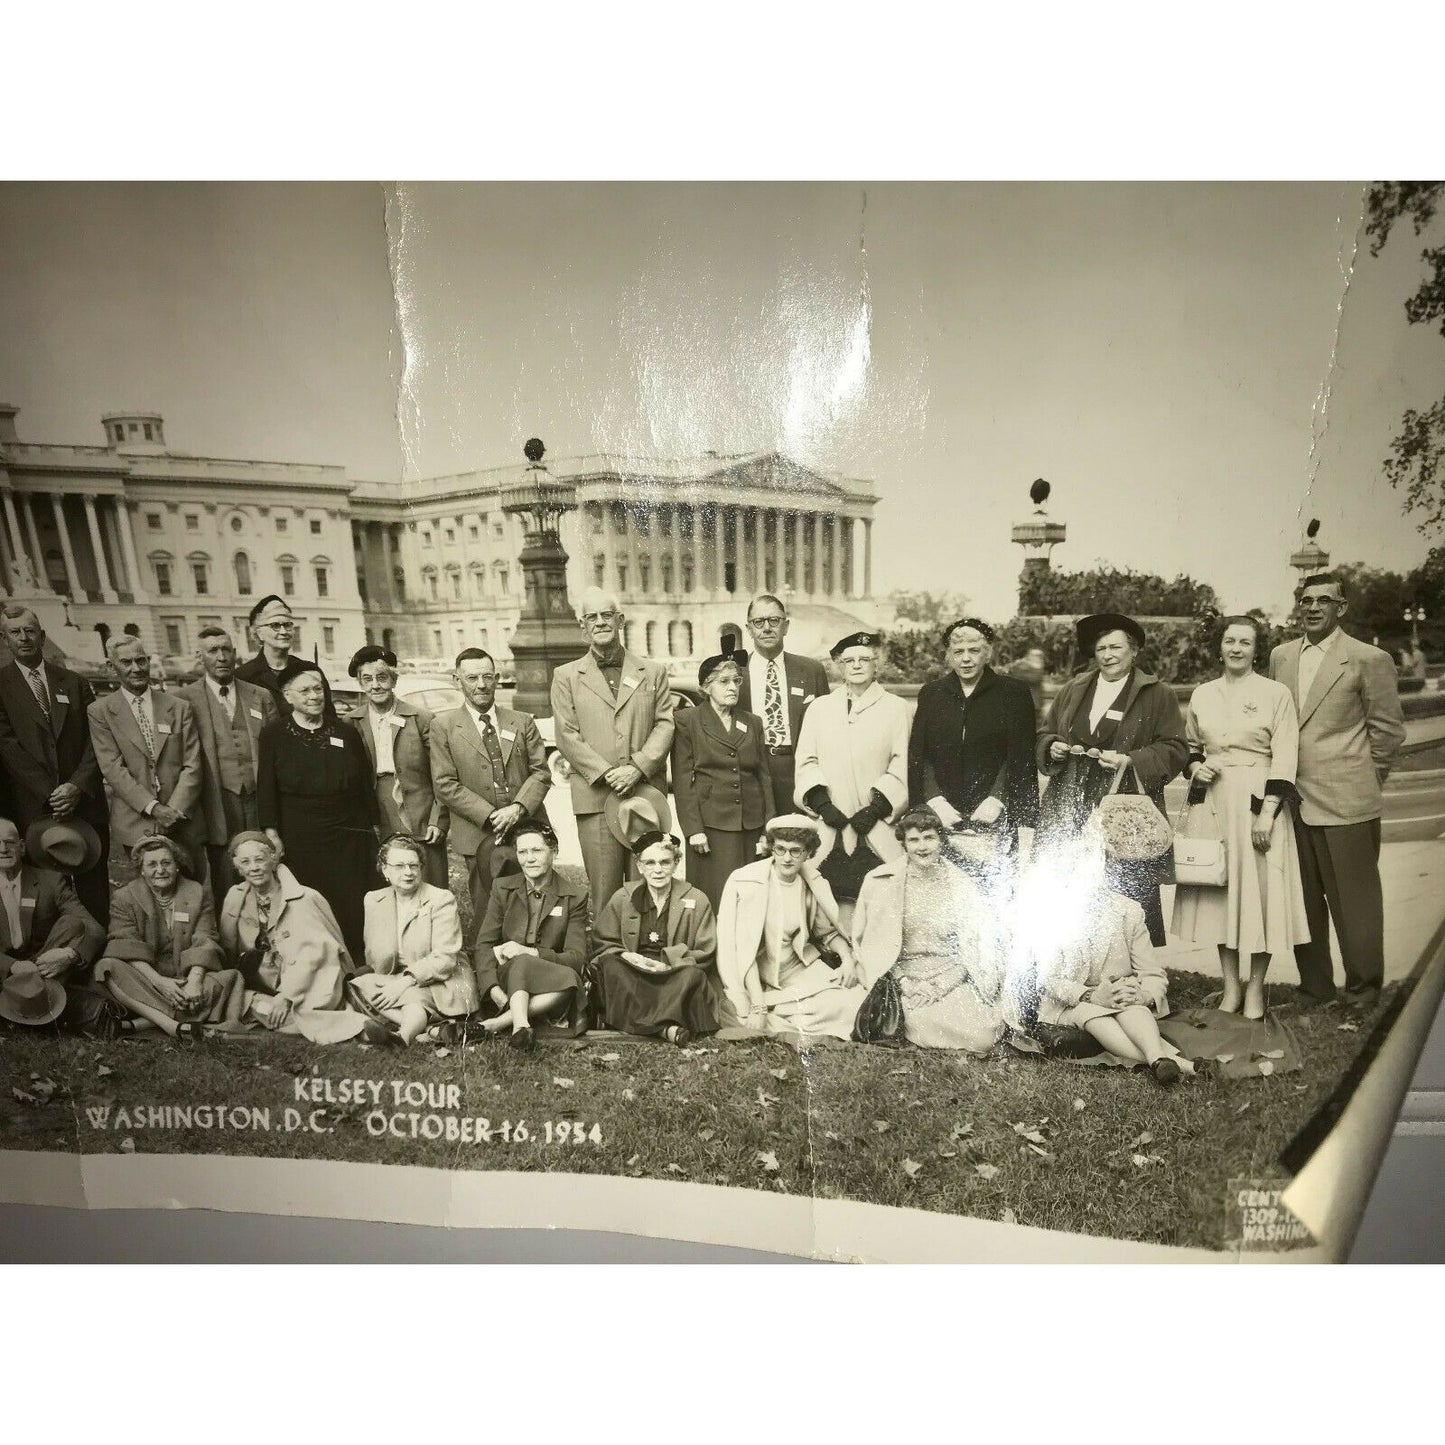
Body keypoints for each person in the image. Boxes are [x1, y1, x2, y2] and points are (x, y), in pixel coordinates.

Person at [1269, 574, 1405, 1010]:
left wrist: (1365, 779)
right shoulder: (1280, 656)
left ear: (1341, 608)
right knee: (1303, 901)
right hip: (1292, 804)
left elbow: (1387, 732)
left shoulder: (1369, 659)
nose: (1312, 607)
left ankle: (1363, 990)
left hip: (1348, 801)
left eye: (1323, 600)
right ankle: (1315, 987)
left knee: (1355, 905)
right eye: (1305, 600)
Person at [1172, 616, 1311, 1019]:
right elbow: (1192, 748)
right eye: (1229, 641)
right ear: (1219, 648)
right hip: (1212, 805)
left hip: (1258, 802)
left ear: (1256, 650)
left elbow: (1285, 756)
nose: (1236, 648)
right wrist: (1196, 767)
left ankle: (1255, 991)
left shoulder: (1275, 693)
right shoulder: (1202, 694)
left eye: (1245, 642)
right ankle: (1231, 989)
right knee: (1222, 895)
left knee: (1261, 896)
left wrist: (1267, 814)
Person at [1036, 612, 1188, 945]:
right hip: (1071, 803)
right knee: (1069, 887)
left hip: (1124, 805)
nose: (1108, 654)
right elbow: (1044, 732)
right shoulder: (1075, 688)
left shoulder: (1156, 693)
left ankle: (1132, 972)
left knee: (1125, 891)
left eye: (1116, 647)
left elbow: (1176, 748)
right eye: (1101, 647)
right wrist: (1053, 747)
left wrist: (1130, 760)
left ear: (1134, 651)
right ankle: (1075, 969)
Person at [550, 586, 677, 914]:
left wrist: (637, 767)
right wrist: (607, 773)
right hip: (595, 801)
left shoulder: (653, 672)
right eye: (591, 617)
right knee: (604, 891)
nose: (600, 622)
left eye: (607, 615)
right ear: (583, 626)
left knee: (648, 885)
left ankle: (647, 957)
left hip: (644, 797)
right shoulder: (565, 677)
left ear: (620, 620)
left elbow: (665, 724)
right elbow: (566, 735)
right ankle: (607, 961)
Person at [1034, 835, 1190, 1086]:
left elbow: (1152, 972)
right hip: (1072, 1002)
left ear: (1106, 871)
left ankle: (1158, 1061)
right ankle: (1182, 1065)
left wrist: (1144, 996)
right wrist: (1090, 995)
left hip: (1122, 998)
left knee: (1133, 1007)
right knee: (1095, 1015)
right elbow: (1048, 979)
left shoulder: (1128, 911)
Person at [851, 808, 1007, 1053]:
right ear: (903, 844)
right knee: (918, 1019)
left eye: (929, 838)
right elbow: (874, 945)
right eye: (913, 840)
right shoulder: (881, 882)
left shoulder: (962, 884)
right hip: (904, 980)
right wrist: (905, 984)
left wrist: (941, 985)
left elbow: (975, 946)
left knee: (983, 1035)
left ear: (941, 840)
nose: (922, 847)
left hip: (951, 977)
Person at [256, 663, 378, 961]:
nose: (314, 695)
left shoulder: (345, 732)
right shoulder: (274, 734)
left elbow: (363, 784)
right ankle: (319, 964)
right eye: (306, 690)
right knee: (311, 901)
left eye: (318, 688)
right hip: (301, 834)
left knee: (352, 900)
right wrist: (272, 832)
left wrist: (373, 827)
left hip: (348, 832)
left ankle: (358, 962)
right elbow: (266, 786)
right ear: (288, 696)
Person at [0, 605, 111, 923]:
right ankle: (56, 960)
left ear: (43, 636)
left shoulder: (74, 682)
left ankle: (98, 958)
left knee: (94, 893)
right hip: (34, 809)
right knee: (45, 895)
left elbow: (97, 740)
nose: (24, 638)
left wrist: (76, 786)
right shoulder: (1, 686)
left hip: (85, 804)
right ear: (5, 639)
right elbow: (8, 747)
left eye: (30, 631)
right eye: (15, 632)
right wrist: (52, 794)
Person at [793, 631, 910, 929]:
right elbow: (806, 760)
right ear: (839, 666)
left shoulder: (896, 709)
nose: (857, 665)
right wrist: (822, 805)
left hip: (877, 824)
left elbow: (903, 763)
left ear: (876, 665)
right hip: (830, 823)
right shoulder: (819, 709)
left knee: (882, 900)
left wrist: (877, 809)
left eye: (864, 659)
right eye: (849, 660)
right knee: (825, 904)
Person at [429, 648, 550, 935]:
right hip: (478, 833)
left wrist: (518, 809)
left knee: (538, 903)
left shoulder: (522, 721)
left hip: (527, 827)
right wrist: (491, 815)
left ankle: (538, 965)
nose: (481, 685)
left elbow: (541, 772)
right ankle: (492, 972)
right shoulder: (443, 726)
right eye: (472, 678)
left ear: (497, 679)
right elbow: (444, 783)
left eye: (487, 676)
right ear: (458, 681)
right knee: (488, 912)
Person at [715, 813, 866, 1039]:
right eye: (780, 849)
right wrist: (758, 1005)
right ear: (771, 848)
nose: (787, 858)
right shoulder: (749, 882)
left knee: (856, 1001)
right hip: (758, 976)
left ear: (807, 853)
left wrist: (847, 960)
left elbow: (828, 933)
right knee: (828, 1008)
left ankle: (783, 1017)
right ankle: (776, 1013)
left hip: (798, 970)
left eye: (795, 851)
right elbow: (743, 952)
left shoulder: (810, 884)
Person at [908, 617, 1040, 856]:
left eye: (974, 651)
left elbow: (1020, 755)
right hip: (942, 814)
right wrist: (935, 800)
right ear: (948, 655)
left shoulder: (1013, 693)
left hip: (995, 814)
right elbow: (920, 754)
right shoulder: (931, 694)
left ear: (988, 654)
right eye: (958, 652)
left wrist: (997, 799)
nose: (966, 659)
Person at [218, 830, 366, 1043]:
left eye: (259, 859)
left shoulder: (303, 898)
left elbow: (315, 954)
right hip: (264, 983)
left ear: (273, 858)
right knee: (241, 1000)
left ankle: (346, 1024)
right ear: (238, 868)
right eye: (246, 862)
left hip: (307, 980)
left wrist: (286, 995)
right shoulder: (235, 897)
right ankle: (337, 1024)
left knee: (292, 1008)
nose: (254, 868)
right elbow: (229, 949)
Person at [94, 835, 245, 1038]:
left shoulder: (197, 892)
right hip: (146, 980)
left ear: (177, 866)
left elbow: (205, 938)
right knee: (106, 968)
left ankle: (142, 1023)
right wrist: (159, 982)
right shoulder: (124, 897)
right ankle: (171, 1025)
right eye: (152, 864)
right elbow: (125, 944)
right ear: (141, 870)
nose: (160, 870)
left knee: (228, 979)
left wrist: (194, 981)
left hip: (185, 979)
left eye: (167, 863)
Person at [87, 635, 205, 881]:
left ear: (149, 661)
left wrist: (174, 810)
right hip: (135, 822)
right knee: (147, 899)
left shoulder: (178, 706)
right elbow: (112, 768)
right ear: (111, 667)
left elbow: (192, 763)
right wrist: (153, 808)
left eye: (141, 660)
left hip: (182, 820)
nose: (136, 668)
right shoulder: (101, 712)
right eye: (127, 662)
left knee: (190, 892)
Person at [179, 626, 278, 910]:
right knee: (225, 869)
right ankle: (233, 934)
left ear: (234, 653)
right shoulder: (184, 699)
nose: (221, 657)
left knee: (265, 861)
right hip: (218, 800)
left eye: (226, 649)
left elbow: (275, 751)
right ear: (200, 657)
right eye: (213, 651)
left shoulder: (259, 695)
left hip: (259, 797)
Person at [348, 833, 478, 1045]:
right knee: (356, 984)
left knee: (412, 998)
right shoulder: (373, 900)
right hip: (396, 978)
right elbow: (374, 956)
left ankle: (402, 1037)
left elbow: (445, 959)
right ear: (384, 870)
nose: (408, 872)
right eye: (399, 866)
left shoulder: (441, 899)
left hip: (441, 979)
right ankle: (433, 1030)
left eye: (413, 866)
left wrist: (402, 984)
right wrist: (391, 983)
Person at [670, 649, 775, 911]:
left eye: (736, 681)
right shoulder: (687, 721)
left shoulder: (752, 722)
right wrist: (693, 830)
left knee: (751, 895)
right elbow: (683, 780)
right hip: (711, 827)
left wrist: (767, 830)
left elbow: (764, 777)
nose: (732, 687)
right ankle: (712, 950)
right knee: (715, 897)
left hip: (751, 824)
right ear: (705, 687)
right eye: (724, 681)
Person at [593, 830, 720, 1045]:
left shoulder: (696, 899)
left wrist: (667, 964)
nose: (658, 870)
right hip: (633, 972)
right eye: (650, 863)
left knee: (693, 977)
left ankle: (632, 1021)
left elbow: (706, 951)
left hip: (670, 974)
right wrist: (628, 956)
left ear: (676, 863)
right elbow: (602, 943)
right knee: (610, 965)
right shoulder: (623, 897)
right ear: (640, 866)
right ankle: (665, 1029)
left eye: (665, 862)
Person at [471, 820, 589, 1051]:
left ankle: (500, 1023)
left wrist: (530, 952)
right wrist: (492, 989)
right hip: (507, 976)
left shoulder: (574, 895)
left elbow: (576, 957)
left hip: (549, 978)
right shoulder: (502, 888)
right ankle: (521, 1026)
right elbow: (483, 945)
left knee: (571, 981)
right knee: (520, 963)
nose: (529, 858)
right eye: (522, 852)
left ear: (554, 851)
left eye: (537, 850)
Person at [345, 645, 448, 889]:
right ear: (360, 684)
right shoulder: (351, 722)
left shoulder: (421, 718)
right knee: (388, 877)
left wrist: (438, 819)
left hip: (419, 806)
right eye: (367, 679)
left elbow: (442, 773)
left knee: (428, 878)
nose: (375, 686)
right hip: (376, 807)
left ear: (394, 680)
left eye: (382, 678)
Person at [0, 813, 107, 1030]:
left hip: (43, 965)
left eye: (9, 843)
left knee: (73, 924)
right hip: (4, 968)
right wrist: (13, 966)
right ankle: (39, 1007)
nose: (3, 849)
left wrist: (71, 955)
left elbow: (94, 928)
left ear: (22, 847)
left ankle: (29, 1002)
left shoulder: (51, 880)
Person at [736, 593, 830, 812]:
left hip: (797, 770)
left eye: (774, 621)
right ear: (749, 629)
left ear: (786, 626)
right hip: (750, 771)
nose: (766, 628)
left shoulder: (811, 670)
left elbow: (827, 730)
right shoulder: (734, 673)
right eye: (758, 622)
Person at [234, 594, 335, 717]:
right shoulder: (243, 676)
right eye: (275, 626)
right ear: (259, 633)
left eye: (287, 625)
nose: (283, 632)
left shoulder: (310, 671)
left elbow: (330, 718)